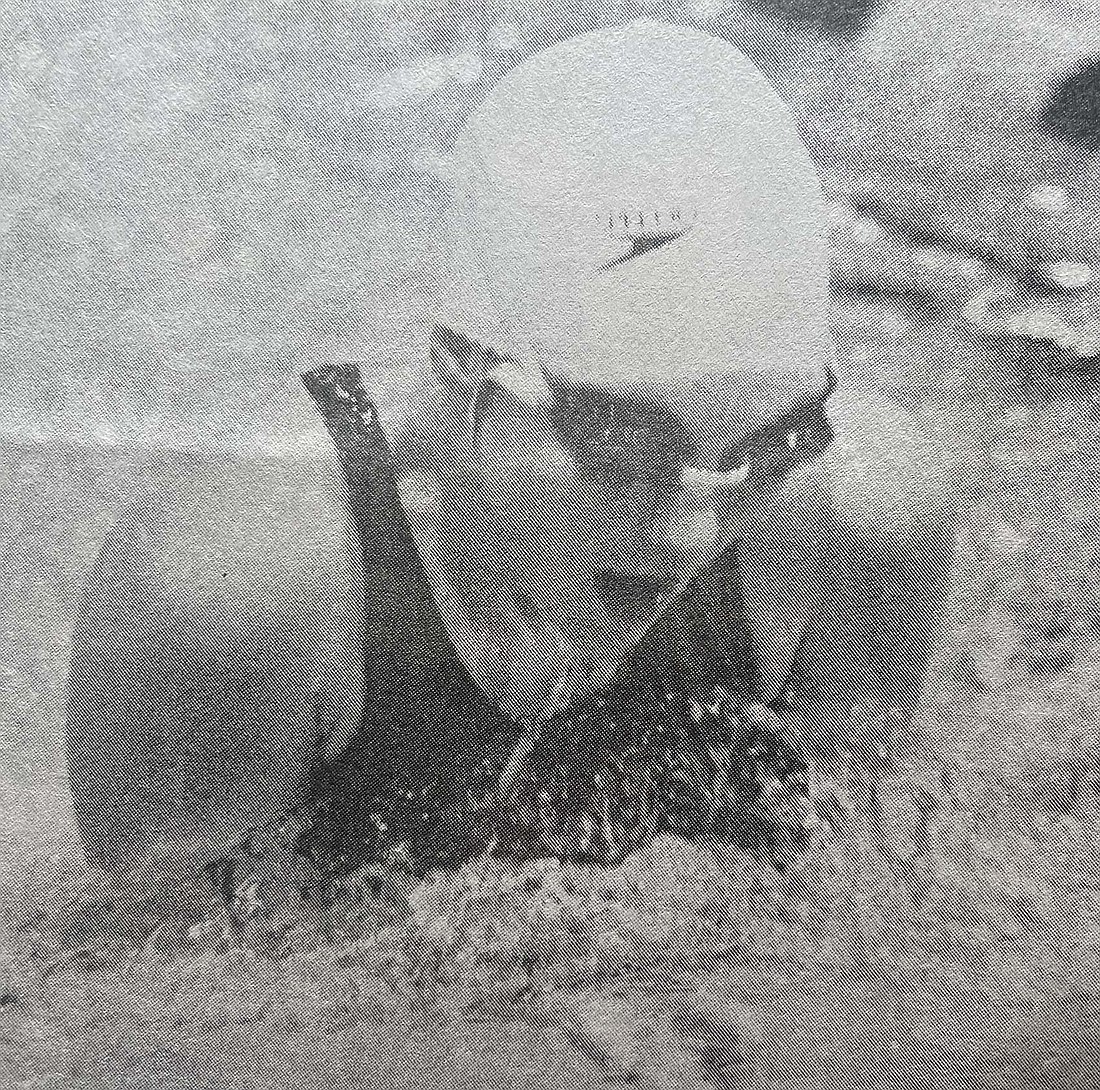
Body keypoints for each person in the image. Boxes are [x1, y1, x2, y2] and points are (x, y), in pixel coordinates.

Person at [65, 21, 954, 882]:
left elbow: (844, 899)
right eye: (622, 442)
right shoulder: (230, 599)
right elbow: (143, 991)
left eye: (771, 440)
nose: (690, 528)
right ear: (460, 368)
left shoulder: (853, 517)